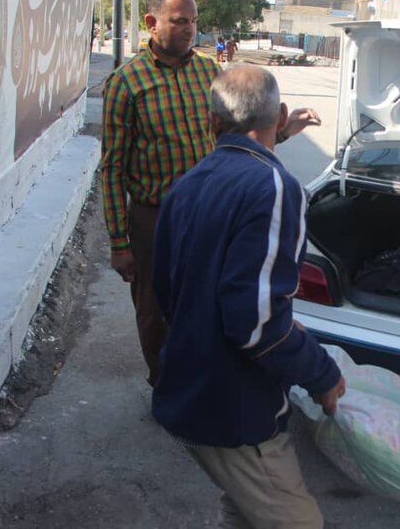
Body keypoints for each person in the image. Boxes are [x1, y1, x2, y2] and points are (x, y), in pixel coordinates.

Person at [152, 65, 345, 529]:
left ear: (212, 124)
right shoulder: (276, 187)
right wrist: (322, 374)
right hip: (234, 406)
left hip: (190, 386)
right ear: (281, 117)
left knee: (242, 509)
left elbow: (166, 289)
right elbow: (254, 325)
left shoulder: (188, 184)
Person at [101, 0, 321, 387]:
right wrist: (120, 243)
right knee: (155, 310)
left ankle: (203, 383)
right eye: (179, 21)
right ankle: (166, 387)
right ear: (151, 22)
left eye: (194, 21)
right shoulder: (126, 84)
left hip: (213, 211)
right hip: (156, 219)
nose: (190, 29)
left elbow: (237, 139)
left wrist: (282, 131)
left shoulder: (208, 71)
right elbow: (112, 168)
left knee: (211, 300)